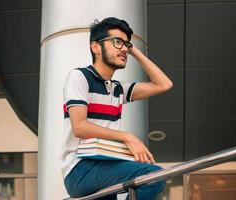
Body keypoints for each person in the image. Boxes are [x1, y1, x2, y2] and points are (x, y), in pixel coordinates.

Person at [61, 17, 173, 199]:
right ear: (95, 47)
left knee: (150, 178)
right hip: (80, 169)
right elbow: (79, 127)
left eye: (126, 45)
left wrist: (134, 50)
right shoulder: (80, 77)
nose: (123, 49)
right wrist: (128, 138)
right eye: (117, 42)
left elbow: (164, 84)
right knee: (154, 176)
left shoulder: (118, 89)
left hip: (106, 164)